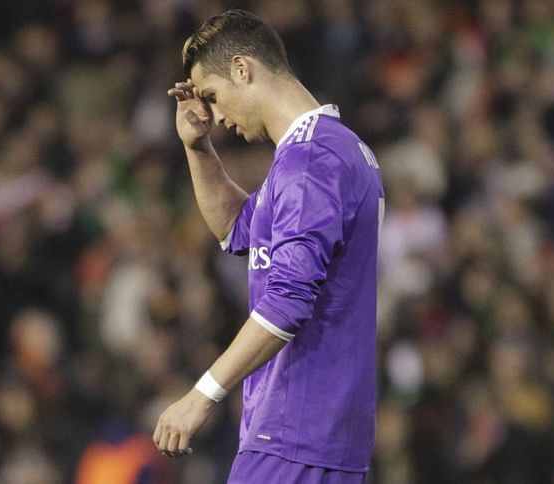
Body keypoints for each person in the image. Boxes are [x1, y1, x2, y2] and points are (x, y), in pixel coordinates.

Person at [153, 9, 385, 483]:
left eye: (213, 96)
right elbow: (239, 230)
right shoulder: (330, 149)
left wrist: (201, 395)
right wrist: (198, 148)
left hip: (294, 432)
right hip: (320, 436)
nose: (217, 116)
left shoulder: (311, 161)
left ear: (243, 68)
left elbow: (287, 301)